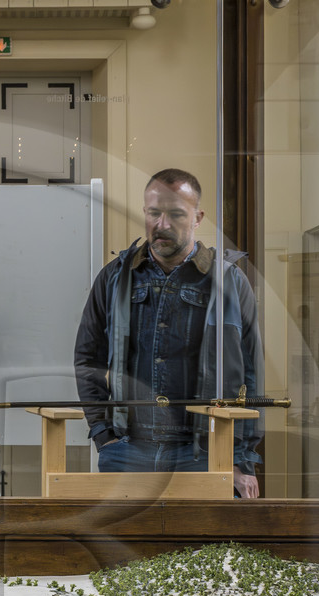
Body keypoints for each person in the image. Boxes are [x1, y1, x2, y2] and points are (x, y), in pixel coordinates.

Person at [73, 168, 263, 498]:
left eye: (175, 214)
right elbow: (87, 359)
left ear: (198, 217)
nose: (162, 224)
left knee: (205, 535)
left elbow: (251, 376)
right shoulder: (114, 278)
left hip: (205, 453)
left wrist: (241, 461)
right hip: (127, 451)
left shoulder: (229, 283)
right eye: (153, 213)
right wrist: (104, 435)